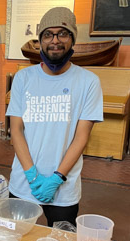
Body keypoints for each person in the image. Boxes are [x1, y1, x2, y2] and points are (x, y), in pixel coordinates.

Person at [6, 7, 103, 227]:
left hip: (63, 187)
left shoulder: (88, 81)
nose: (55, 41)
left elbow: (81, 137)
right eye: (48, 34)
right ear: (40, 40)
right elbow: (17, 129)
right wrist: (31, 174)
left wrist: (57, 178)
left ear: (72, 39)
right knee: (15, 240)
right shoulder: (23, 78)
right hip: (23, 181)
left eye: (63, 33)